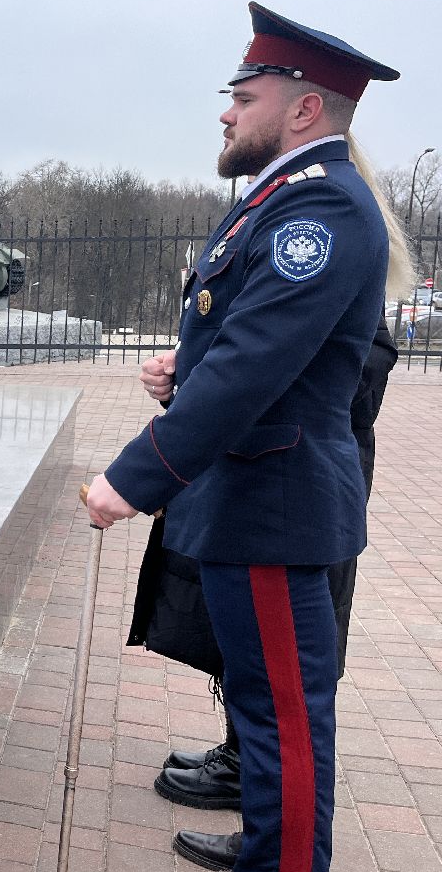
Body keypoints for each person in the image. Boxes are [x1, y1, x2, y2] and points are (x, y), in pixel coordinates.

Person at [84, 2, 408, 872]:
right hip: (256, 494)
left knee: (284, 711)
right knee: (267, 702)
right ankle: (265, 846)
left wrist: (131, 478)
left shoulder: (322, 208)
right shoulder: (284, 196)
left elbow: (257, 369)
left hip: (274, 501)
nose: (227, 113)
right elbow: (257, 346)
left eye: (245, 95)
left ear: (304, 109)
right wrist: (183, 368)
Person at [130, 312, 397, 814]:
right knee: (241, 630)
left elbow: (350, 385)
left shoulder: (332, 260)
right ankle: (244, 758)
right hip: (253, 469)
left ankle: (262, 792)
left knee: (283, 648)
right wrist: (184, 377)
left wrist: (218, 379)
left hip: (296, 484)